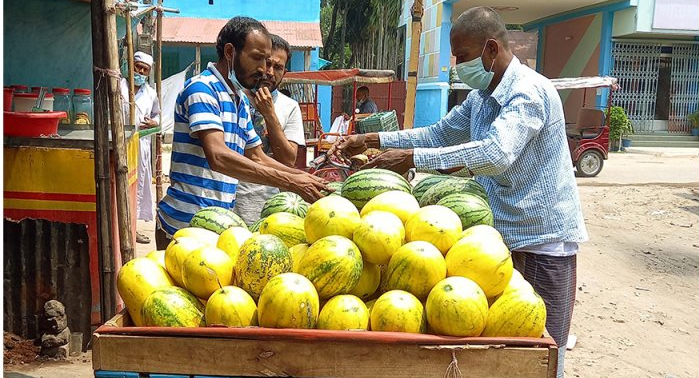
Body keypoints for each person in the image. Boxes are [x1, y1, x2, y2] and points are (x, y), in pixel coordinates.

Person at [329, 7, 587, 378]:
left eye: (463, 56)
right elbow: (438, 133)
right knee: (494, 353)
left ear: (491, 49)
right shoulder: (482, 96)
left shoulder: (528, 92)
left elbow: (496, 153)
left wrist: (413, 159)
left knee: (540, 355)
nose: (458, 65)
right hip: (498, 240)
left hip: (541, 242)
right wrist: (370, 139)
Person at [156, 16, 328, 249]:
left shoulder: (238, 100)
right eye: (257, 58)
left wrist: (302, 177)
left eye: (267, 61)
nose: (263, 69)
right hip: (185, 229)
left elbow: (257, 156)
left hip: (217, 227)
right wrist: (291, 181)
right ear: (230, 52)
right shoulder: (202, 89)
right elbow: (218, 156)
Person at [233, 35, 305, 225]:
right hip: (230, 201)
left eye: (278, 67)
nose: (270, 72)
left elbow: (288, 160)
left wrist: (269, 114)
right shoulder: (233, 97)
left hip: (270, 206)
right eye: (267, 63)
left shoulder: (290, 107)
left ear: (285, 72)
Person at [119, 51, 160, 244]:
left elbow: (158, 116)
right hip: (119, 143)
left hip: (140, 146)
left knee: (137, 187)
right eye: (138, 67)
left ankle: (133, 229)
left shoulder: (150, 93)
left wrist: (154, 122)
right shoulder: (118, 87)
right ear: (131, 66)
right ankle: (120, 226)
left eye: (145, 70)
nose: (140, 72)